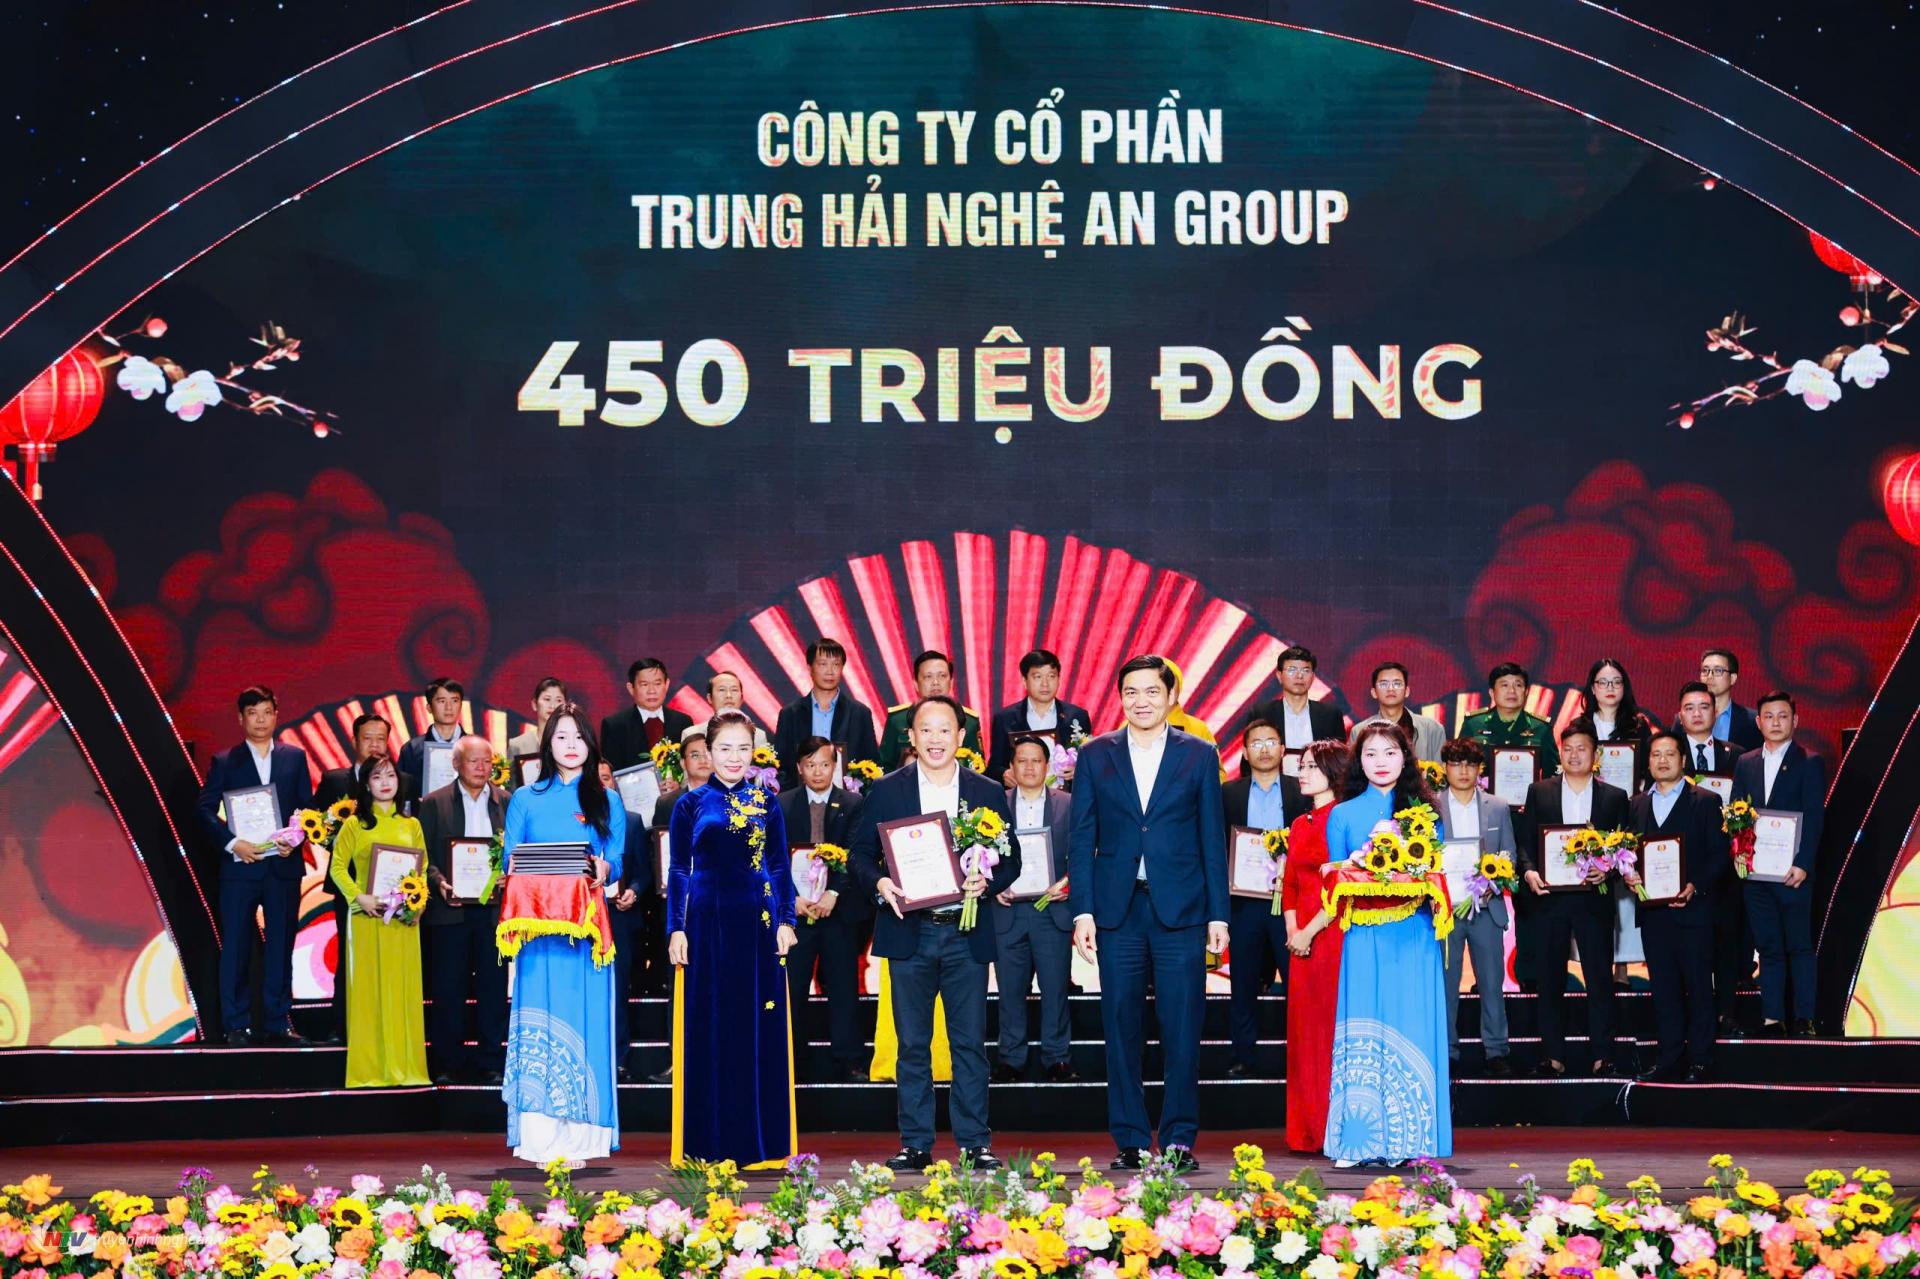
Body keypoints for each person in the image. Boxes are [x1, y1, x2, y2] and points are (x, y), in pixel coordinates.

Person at [1069, 655, 1226, 1173]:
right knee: (1121, 1029)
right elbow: (1082, 839)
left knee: (1182, 1029)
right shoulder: (1095, 755)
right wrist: (1083, 911)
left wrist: (1218, 915)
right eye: (1131, 692)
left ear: (1172, 697)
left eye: (1152, 691)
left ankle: (1178, 1140)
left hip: (1182, 912)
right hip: (1118, 912)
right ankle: (1131, 1140)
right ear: (1120, 698)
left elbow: (1211, 837)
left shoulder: (1199, 754)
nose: (1141, 701)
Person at [852, 695, 1018, 1171]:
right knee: (912, 1045)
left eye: (945, 729)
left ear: (961, 737)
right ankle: (915, 1143)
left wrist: (988, 882)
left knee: (969, 1044)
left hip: (965, 934)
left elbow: (1012, 859)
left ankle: (975, 1143)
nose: (936, 739)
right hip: (910, 933)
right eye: (926, 729)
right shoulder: (887, 789)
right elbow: (859, 854)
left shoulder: (986, 791)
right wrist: (881, 884)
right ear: (911, 736)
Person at [667, 710, 798, 1166]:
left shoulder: (767, 802)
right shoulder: (689, 805)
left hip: (758, 928)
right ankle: (707, 1144)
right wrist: (676, 927)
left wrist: (786, 920)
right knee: (709, 1030)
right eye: (725, 748)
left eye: (744, 748)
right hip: (705, 928)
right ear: (707, 751)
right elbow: (678, 869)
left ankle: (760, 1143)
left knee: (757, 1031)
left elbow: (779, 866)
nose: (734, 757)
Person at [500, 705, 626, 1167]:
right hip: (538, 935)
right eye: (561, 737)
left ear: (590, 744)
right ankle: (539, 1139)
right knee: (539, 1020)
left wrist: (605, 867)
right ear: (546, 745)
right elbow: (510, 858)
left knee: (588, 1022)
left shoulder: (606, 800)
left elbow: (617, 858)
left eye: (578, 737)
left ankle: (582, 1140)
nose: (571, 746)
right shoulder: (525, 797)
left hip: (587, 934)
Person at [1322, 720, 1451, 1167]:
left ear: (1406, 758)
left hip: (1414, 934)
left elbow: (1435, 871)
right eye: (1371, 753)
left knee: (1411, 1023)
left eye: (1390, 753)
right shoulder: (1341, 814)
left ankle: (1410, 1142)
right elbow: (1333, 879)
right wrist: (1357, 865)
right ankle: (1355, 1140)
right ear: (1358, 761)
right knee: (1364, 1023)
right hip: (1362, 932)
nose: (1381, 762)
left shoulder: (1425, 812)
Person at [197, 685, 313, 1047]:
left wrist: (294, 839)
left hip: (282, 867)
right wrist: (234, 843)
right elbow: (204, 810)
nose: (260, 720)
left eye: (266, 712)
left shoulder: (295, 758)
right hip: (240, 868)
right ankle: (236, 1024)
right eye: (252, 713)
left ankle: (278, 1023)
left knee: (281, 946)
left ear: (276, 716)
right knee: (235, 946)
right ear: (240, 718)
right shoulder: (224, 761)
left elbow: (307, 810)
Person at [1514, 718, 1631, 1077]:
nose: (1575, 755)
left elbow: (1625, 847)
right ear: (1560, 753)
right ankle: (1553, 1056)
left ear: (1596, 755)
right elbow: (1526, 843)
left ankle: (1602, 1055)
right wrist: (1529, 871)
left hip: (1594, 901)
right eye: (1568, 749)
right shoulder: (1540, 792)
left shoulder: (1614, 797)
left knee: (1599, 979)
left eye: (1582, 749)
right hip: (1550, 900)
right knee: (1550, 980)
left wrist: (1609, 871)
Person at [1627, 731, 1731, 1082]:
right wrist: (1629, 875)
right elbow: (1629, 855)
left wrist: (1695, 886)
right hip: (1654, 915)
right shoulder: (1637, 804)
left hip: (1694, 912)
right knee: (1664, 989)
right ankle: (1669, 1058)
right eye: (1656, 754)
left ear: (1683, 760)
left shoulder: (1706, 801)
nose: (1662, 761)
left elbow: (1719, 855)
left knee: (1699, 987)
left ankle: (1701, 1059)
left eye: (1670, 754)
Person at [328, 756, 430, 1088]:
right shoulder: (354, 825)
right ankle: (369, 1071)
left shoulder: (411, 825)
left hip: (402, 921)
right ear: (366, 784)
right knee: (368, 992)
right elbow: (337, 867)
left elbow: (422, 870)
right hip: (367, 918)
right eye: (376, 777)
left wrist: (417, 905)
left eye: (390, 776)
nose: (385, 783)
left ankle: (406, 1068)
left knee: (403, 990)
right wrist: (359, 897)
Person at [314, 711, 412, 1046]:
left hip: (395, 889)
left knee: (393, 959)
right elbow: (316, 826)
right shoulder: (334, 780)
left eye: (380, 738)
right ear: (354, 740)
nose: (374, 744)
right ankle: (343, 1026)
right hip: (351, 887)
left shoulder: (404, 781)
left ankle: (389, 1027)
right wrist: (342, 841)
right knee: (350, 956)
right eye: (367, 738)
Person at [417, 735, 510, 1085]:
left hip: (493, 911)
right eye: (474, 761)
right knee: (448, 989)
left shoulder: (506, 801)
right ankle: (448, 1062)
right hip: (449, 910)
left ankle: (491, 1061)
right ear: (456, 764)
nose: (481, 768)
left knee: (493, 988)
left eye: (487, 761)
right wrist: (438, 881)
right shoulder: (434, 802)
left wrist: (509, 873)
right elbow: (423, 855)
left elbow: (516, 850)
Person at [1732, 691, 1826, 1037]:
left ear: (1795, 721)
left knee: (1799, 945)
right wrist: (1739, 852)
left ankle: (1804, 1018)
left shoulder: (1810, 761)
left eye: (1782, 716)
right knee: (1768, 947)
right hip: (1757, 874)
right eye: (1769, 717)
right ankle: (1773, 1017)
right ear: (1758, 722)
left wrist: (1803, 864)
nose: (1775, 722)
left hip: (1793, 873)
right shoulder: (1746, 762)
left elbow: (1814, 817)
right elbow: (1737, 813)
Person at [780, 736, 870, 1082]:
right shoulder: (783, 804)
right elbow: (774, 859)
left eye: (824, 764)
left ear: (835, 766)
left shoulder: (854, 803)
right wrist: (792, 899)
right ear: (799, 768)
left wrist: (834, 892)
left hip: (839, 912)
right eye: (810, 765)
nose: (818, 771)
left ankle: (849, 1059)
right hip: (797, 914)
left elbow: (858, 852)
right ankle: (792, 1060)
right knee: (792, 988)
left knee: (843, 987)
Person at [992, 735, 1076, 1083]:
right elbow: (977, 853)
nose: (1029, 767)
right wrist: (993, 884)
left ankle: (1057, 1057)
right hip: (1007, 911)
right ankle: (1011, 1059)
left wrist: (1069, 882)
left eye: (1036, 760)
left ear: (1048, 766)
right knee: (1010, 990)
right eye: (1022, 761)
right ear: (1011, 767)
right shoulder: (994, 805)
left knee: (1055, 988)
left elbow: (1085, 850)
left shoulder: (1068, 804)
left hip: (1051, 911)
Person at [1432, 737, 1517, 1077]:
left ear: (1479, 769)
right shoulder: (1430, 807)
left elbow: (1509, 856)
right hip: (1446, 911)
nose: (1463, 771)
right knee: (1445, 985)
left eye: (1470, 764)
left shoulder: (1498, 807)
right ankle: (1446, 1051)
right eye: (1456, 764)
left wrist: (1493, 882)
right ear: (1445, 768)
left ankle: (1496, 1051)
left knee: (1492, 984)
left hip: (1486, 908)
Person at [1221, 719, 1302, 1078]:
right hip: (1244, 902)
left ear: (1283, 749)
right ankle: (1243, 1054)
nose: (1265, 749)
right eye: (1256, 743)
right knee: (1243, 981)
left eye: (1271, 742)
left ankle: (1301, 1056)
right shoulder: (1229, 794)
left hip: (1291, 903)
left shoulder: (1300, 791)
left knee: (1298, 982)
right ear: (1244, 751)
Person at [1279, 739, 1349, 1150]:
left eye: (1310, 766)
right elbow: (1290, 884)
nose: (1301, 773)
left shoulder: (1343, 819)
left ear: (1333, 770)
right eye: (1301, 766)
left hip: (1332, 935)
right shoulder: (1299, 823)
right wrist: (1294, 931)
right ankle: (1306, 1129)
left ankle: (1333, 1127)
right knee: (1303, 1033)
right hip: (1300, 940)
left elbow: (1344, 888)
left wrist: (1309, 931)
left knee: (1328, 1031)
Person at [1676, 679, 1750, 1034]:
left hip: (1727, 864)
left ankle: (1726, 1013)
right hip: (1684, 865)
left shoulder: (1738, 756)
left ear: (1716, 712)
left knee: (1727, 938)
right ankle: (1693, 1015)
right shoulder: (1668, 754)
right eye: (1689, 708)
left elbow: (1748, 805)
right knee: (1689, 946)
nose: (1697, 714)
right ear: (1680, 715)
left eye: (1703, 707)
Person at [1578, 658, 1656, 984]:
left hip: (1629, 811)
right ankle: (1596, 964)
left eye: (1616, 682)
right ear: (1592, 688)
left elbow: (1650, 770)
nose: (1610, 688)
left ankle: (1622, 967)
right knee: (1594, 885)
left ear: (1625, 687)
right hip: (1590, 813)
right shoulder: (1581, 725)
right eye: (1603, 682)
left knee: (1625, 884)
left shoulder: (1638, 727)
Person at [598, 758, 655, 1084]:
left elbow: (645, 872)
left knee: (617, 991)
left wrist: (633, 890)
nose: (602, 783)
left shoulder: (632, 821)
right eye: (595, 778)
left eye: (607, 777)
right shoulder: (574, 820)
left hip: (620, 919)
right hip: (583, 919)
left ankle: (618, 1059)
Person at [773, 638, 881, 788]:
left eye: (836, 664)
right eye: (823, 664)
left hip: (847, 798)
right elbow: (781, 766)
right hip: (800, 797)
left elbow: (871, 764)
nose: (830, 671)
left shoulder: (860, 713)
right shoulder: (790, 714)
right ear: (810, 668)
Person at [987, 648, 1092, 784]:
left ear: (1059, 679)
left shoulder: (1077, 717)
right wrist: (1004, 774)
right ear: (1024, 681)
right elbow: (993, 768)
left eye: (1051, 676)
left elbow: (1091, 764)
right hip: (1020, 794)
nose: (1045, 684)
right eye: (1038, 677)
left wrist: (1079, 770)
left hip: (1065, 796)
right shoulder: (1004, 718)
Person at [881, 650, 984, 770]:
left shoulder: (969, 721)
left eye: (942, 676)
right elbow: (885, 766)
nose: (935, 682)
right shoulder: (897, 720)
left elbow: (978, 766)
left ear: (951, 682)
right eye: (928, 677)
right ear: (915, 683)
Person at [1461, 661, 1561, 785]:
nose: (1512, 691)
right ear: (1492, 693)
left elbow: (1553, 774)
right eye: (1504, 685)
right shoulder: (1474, 724)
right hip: (1483, 796)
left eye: (1518, 685)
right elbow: (1459, 765)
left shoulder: (1541, 727)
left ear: (1526, 692)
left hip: (1527, 797)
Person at [601, 658, 695, 773]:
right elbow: (611, 773)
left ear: (666, 685)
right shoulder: (615, 726)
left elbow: (691, 766)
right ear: (631, 688)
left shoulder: (683, 722)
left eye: (657, 684)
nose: (652, 691)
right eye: (644, 684)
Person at [1253, 645, 1345, 752]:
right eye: (1292, 670)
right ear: (1279, 676)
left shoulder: (1330, 714)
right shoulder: (1262, 714)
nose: (1299, 676)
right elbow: (1252, 756)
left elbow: (1339, 757)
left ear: (1313, 677)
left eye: (1305, 670)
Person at [1348, 662, 1445, 763]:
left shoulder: (1433, 729)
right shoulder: (1359, 731)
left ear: (1407, 691)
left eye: (1397, 684)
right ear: (1374, 692)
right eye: (1383, 684)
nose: (1390, 689)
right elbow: (1354, 770)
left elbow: (1440, 770)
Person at [398, 678, 467, 798]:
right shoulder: (412, 749)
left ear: (461, 705)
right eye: (442, 701)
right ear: (429, 707)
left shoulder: (476, 747)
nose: (449, 707)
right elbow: (402, 792)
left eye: (454, 701)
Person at [1689, 648, 1763, 751]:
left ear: (1732, 678)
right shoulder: (1684, 719)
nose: (1709, 676)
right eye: (1705, 670)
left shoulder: (1752, 721)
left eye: (1718, 670)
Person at [506, 677, 569, 782]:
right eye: (547, 699)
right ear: (535, 704)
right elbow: (511, 785)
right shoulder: (517, 744)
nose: (552, 706)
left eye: (558, 700)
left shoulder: (573, 744)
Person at [708, 670, 770, 748]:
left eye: (734, 690)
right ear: (710, 698)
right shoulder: (696, 733)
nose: (728, 695)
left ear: (742, 698)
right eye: (722, 690)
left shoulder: (758, 736)